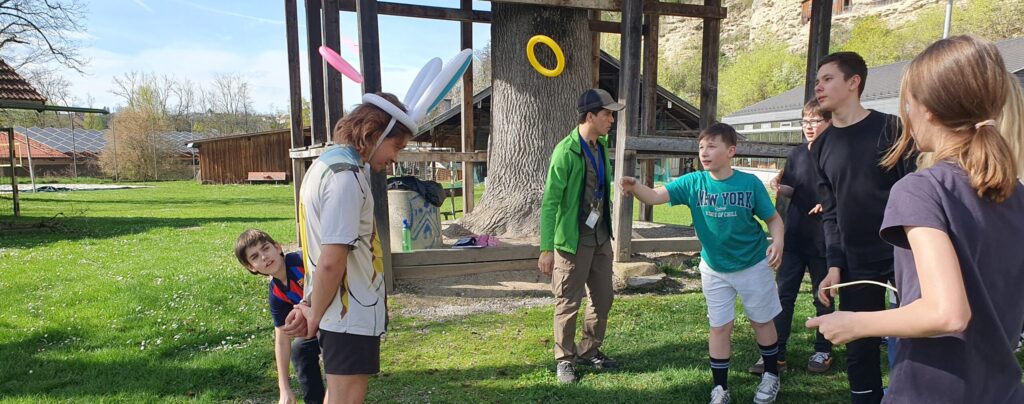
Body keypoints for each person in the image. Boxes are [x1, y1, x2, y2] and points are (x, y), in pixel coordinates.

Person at [807, 34, 1024, 403]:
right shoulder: (1015, 192)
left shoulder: (919, 189)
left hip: (932, 391)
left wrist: (854, 322)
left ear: (927, 109)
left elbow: (947, 313)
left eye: (907, 102)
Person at [620, 123, 786, 404]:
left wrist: (778, 242)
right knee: (719, 327)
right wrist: (636, 186)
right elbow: (656, 196)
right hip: (714, 268)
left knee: (761, 321)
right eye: (700, 147)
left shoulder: (749, 184)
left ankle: (771, 375)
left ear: (730, 151)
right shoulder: (693, 182)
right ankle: (720, 389)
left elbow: (774, 219)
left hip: (753, 264)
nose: (704, 152)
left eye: (711, 146)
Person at [282, 92, 413, 404]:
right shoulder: (346, 177)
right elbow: (330, 260)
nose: (395, 158)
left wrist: (310, 303)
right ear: (372, 133)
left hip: (339, 310)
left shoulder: (325, 165)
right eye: (396, 146)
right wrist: (312, 314)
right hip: (348, 313)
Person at [809, 51, 916, 404]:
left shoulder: (893, 129)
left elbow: (917, 192)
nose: (818, 87)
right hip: (856, 260)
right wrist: (835, 265)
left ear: (854, 82)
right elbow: (831, 212)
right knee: (860, 347)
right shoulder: (821, 145)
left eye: (827, 79)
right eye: (817, 81)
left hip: (906, 253)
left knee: (916, 338)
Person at [538, 88, 622, 384]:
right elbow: (550, 203)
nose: (612, 119)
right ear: (590, 116)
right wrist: (546, 248)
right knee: (568, 302)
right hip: (572, 241)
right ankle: (564, 360)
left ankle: (589, 351)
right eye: (607, 114)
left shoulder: (600, 147)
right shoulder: (565, 151)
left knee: (603, 298)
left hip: (600, 238)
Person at [749, 100, 833, 376]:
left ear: (829, 122)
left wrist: (829, 203)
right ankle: (776, 354)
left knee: (823, 296)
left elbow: (847, 189)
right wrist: (778, 185)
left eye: (815, 121)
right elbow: (793, 189)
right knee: (783, 296)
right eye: (805, 121)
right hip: (794, 235)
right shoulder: (796, 154)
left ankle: (823, 350)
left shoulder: (838, 152)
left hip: (825, 237)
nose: (809, 127)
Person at [235, 229, 325, 404]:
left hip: (338, 319)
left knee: (327, 342)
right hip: (318, 326)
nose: (264, 257)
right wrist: (284, 388)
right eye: (254, 257)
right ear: (250, 267)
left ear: (277, 247)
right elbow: (282, 340)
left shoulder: (300, 262)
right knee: (300, 349)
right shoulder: (276, 294)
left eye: (266, 248)